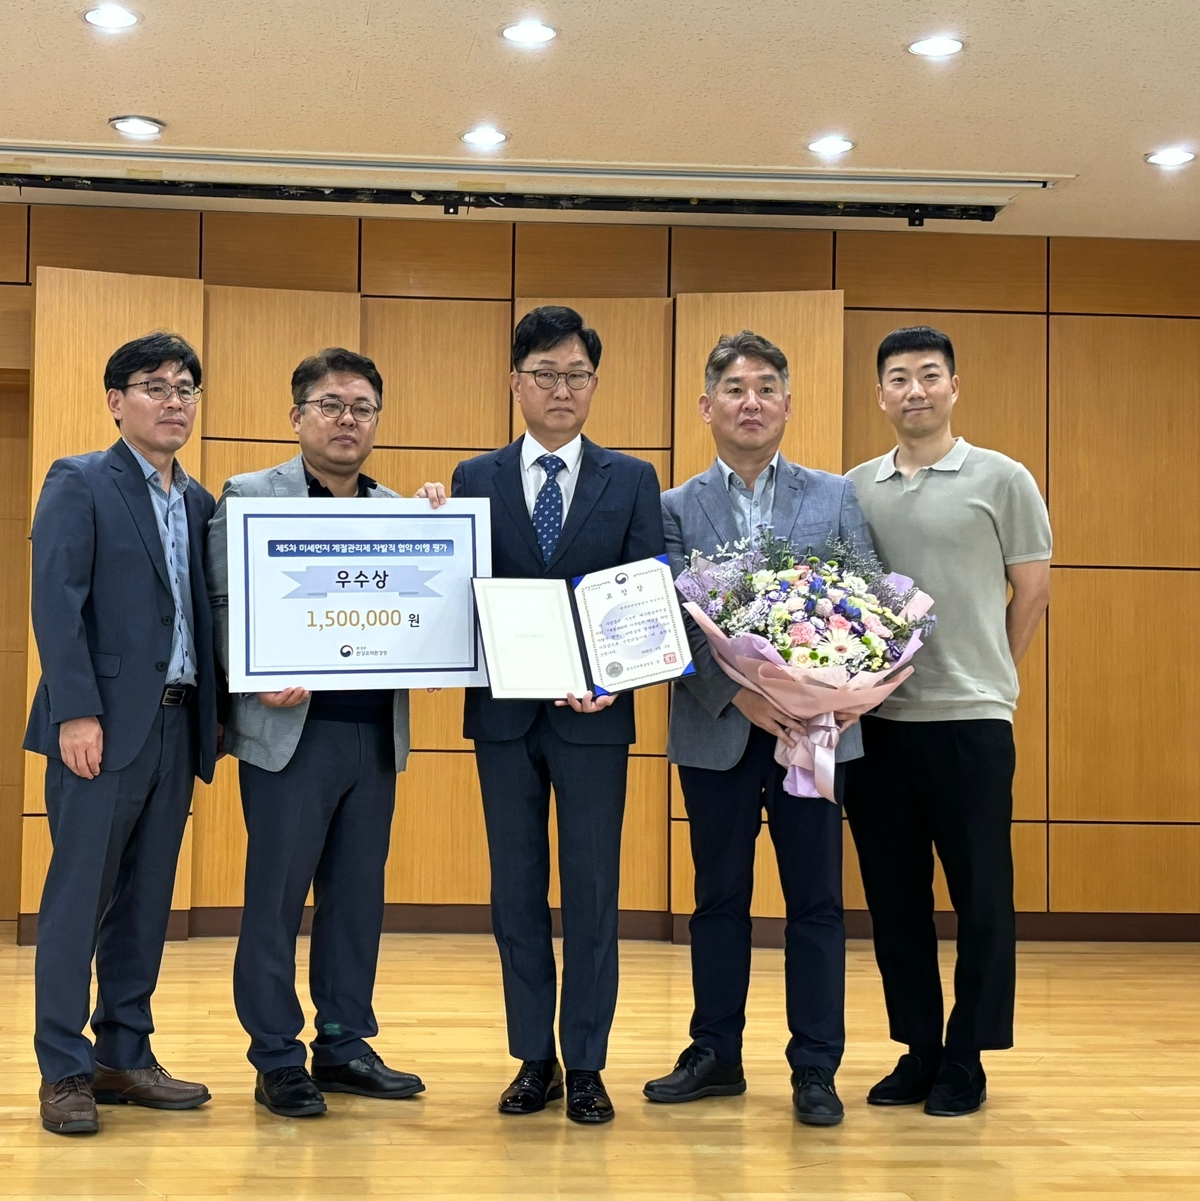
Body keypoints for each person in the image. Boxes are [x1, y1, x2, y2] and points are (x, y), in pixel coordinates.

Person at [643, 331, 874, 1126]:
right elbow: (670, 623)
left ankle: (815, 1065)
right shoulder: (672, 506)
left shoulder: (835, 495)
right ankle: (715, 1052)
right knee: (718, 898)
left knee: (816, 901)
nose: (751, 401)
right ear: (706, 406)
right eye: (735, 389)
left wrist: (824, 694)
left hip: (814, 733)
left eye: (766, 387)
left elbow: (869, 599)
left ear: (786, 404)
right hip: (719, 731)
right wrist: (742, 698)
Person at [447, 305, 664, 1125]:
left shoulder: (632, 478)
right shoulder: (473, 478)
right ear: (515, 383)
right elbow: (456, 589)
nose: (560, 388)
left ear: (594, 383)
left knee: (594, 893)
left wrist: (619, 679)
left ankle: (590, 1061)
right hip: (503, 718)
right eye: (544, 373)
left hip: (593, 719)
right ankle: (533, 1056)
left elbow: (651, 595)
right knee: (516, 893)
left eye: (575, 374)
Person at [206, 347, 424, 1119]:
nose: (347, 420)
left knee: (356, 901)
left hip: (374, 737)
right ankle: (275, 1054)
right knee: (275, 901)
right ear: (296, 416)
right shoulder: (247, 496)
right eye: (330, 404)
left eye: (362, 407)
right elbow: (221, 613)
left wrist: (441, 529)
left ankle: (342, 1042)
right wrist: (250, 676)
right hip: (288, 735)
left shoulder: (404, 510)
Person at [845, 325, 1051, 1117]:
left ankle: (968, 1054)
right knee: (895, 898)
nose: (915, 390)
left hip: (970, 720)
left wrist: (995, 677)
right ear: (881, 395)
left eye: (929, 375)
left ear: (955, 386)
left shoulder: (1002, 477)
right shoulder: (857, 487)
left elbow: (1030, 590)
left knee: (981, 896)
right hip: (879, 721)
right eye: (898, 378)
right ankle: (919, 1049)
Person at [25, 331, 221, 1136]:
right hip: (99, 729)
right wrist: (76, 709)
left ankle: (124, 1054)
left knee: (145, 904)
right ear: (115, 401)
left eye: (185, 389)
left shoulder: (202, 500)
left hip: (178, 725)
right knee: (78, 902)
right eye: (154, 386)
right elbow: (56, 601)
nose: (173, 401)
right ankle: (65, 1070)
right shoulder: (80, 480)